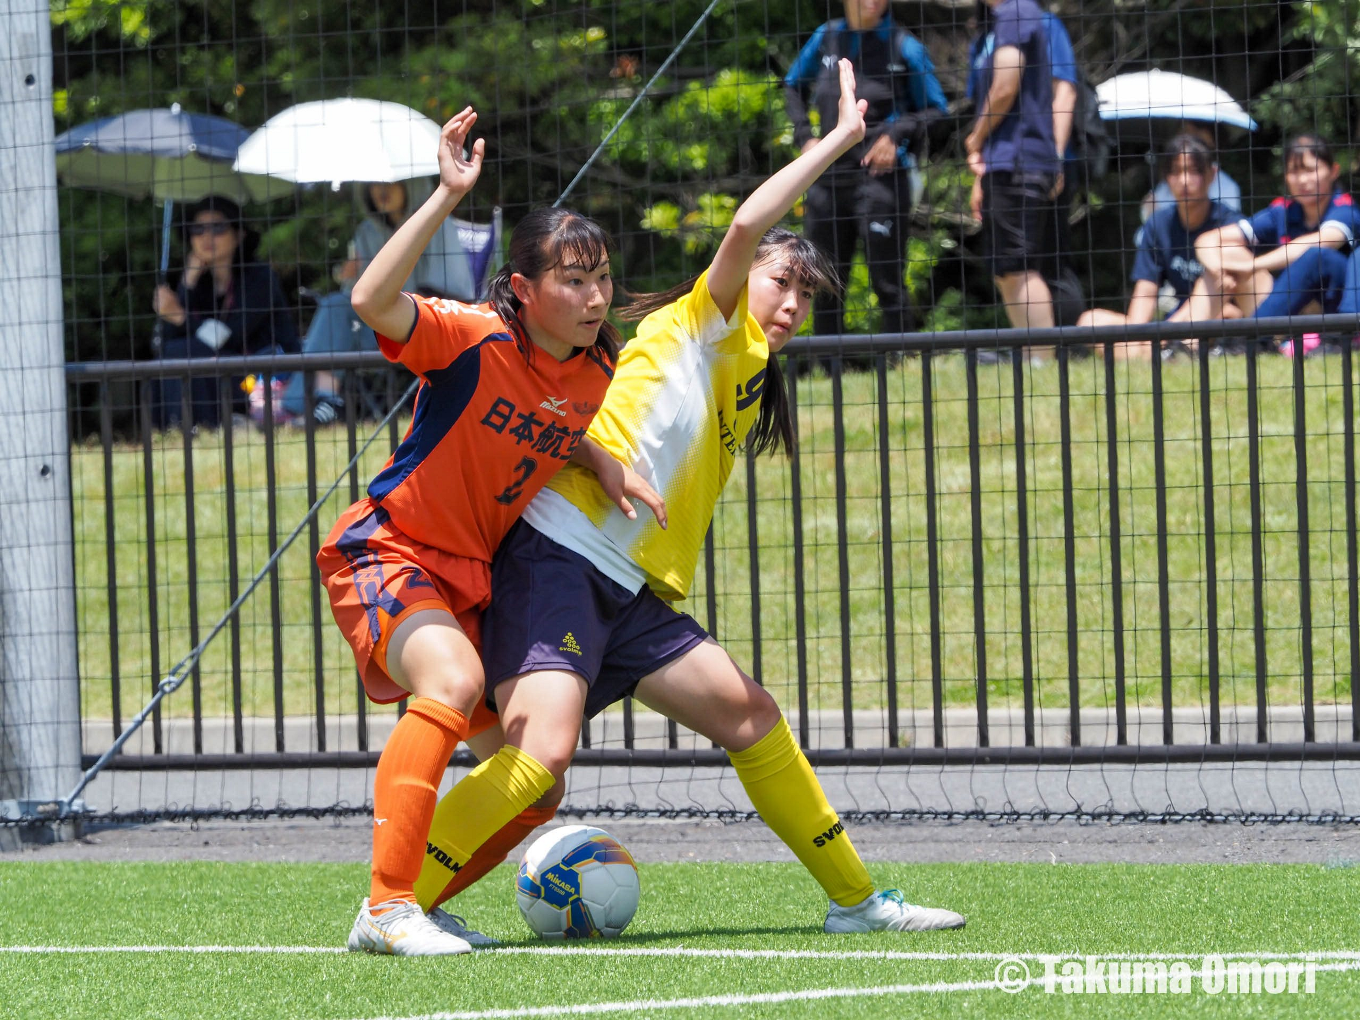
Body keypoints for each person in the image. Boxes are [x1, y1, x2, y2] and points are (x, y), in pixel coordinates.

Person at [412, 62, 966, 936]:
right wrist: (838, 140)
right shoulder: (701, 321)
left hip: (631, 591)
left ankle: (858, 902)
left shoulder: (749, 370)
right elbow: (750, 220)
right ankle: (397, 901)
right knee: (543, 759)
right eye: (781, 281)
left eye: (804, 294)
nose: (791, 302)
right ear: (743, 281)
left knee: (751, 714)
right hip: (559, 556)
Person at [318, 107, 659, 957]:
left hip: (469, 577)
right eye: (573, 281)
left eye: (602, 280)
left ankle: (419, 903)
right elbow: (368, 298)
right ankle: (388, 905)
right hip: (387, 549)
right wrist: (445, 195)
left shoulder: (596, 368)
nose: (593, 298)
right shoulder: (470, 335)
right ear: (522, 287)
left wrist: (599, 461)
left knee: (536, 786)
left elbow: (550, 417)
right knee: (454, 675)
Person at [785, 0, 947, 339]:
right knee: (824, 279)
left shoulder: (905, 45)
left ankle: (900, 360)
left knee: (887, 280)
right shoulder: (826, 36)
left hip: (881, 180)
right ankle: (829, 367)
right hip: (827, 179)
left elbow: (936, 110)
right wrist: (805, 137)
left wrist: (896, 133)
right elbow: (792, 85)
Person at [278, 178, 478, 424]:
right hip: (379, 328)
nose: (381, 191)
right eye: (373, 185)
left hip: (424, 326)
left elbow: (455, 291)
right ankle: (324, 399)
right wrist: (349, 279)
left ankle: (303, 406)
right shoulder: (367, 232)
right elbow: (359, 300)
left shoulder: (437, 223)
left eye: (390, 183)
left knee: (340, 312)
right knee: (335, 305)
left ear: (410, 186)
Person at [1077, 134, 1241, 358]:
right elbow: (1145, 291)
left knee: (1228, 314)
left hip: (1215, 317)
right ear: (1165, 177)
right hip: (1173, 324)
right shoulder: (1158, 224)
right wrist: (1135, 337)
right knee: (1090, 322)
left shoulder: (1229, 223)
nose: (1184, 180)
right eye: (1175, 172)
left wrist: (1166, 331)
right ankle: (1161, 352)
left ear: (1211, 175)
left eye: (1193, 171)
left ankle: (1165, 350)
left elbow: (1225, 288)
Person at [1195, 133, 1360, 345]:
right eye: (1294, 171)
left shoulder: (1346, 209)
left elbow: (1321, 242)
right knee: (1229, 252)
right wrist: (1219, 268)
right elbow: (1207, 240)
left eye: (1310, 170)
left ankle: (1251, 339)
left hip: (1335, 307)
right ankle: (1185, 340)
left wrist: (1252, 265)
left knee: (1317, 257)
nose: (1302, 180)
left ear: (1333, 171)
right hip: (1289, 306)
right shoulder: (1282, 211)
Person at [965, 0, 1063, 348]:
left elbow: (1006, 85)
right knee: (1006, 270)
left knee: (1017, 266)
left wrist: (975, 139)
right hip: (1006, 163)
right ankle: (1033, 357)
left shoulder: (1016, 12)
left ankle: (1042, 361)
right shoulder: (997, 23)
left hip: (1019, 161)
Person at [151, 196, 297, 427]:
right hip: (221, 368)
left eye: (218, 227)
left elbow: (230, 338)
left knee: (189, 353)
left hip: (262, 374)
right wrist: (187, 283)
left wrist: (179, 316)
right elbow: (165, 341)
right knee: (176, 352)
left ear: (239, 234)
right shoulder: (199, 282)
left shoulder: (259, 277)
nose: (206, 237)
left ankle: (200, 426)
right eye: (197, 229)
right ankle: (178, 428)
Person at [1144, 121, 1242, 218]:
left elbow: (1230, 228)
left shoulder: (1227, 186)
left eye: (1195, 171)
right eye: (1183, 133)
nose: (1184, 181)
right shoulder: (1164, 186)